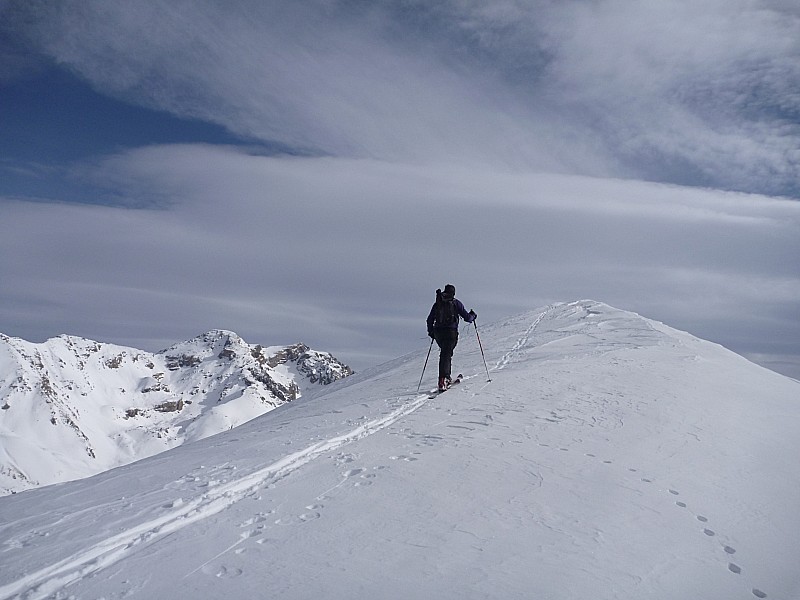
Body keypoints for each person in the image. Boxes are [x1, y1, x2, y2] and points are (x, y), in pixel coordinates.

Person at [426, 284, 477, 391]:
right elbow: (467, 318)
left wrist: (431, 332)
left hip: (438, 333)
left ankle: (444, 378)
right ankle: (443, 379)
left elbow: (429, 319)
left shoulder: (438, 303)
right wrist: (473, 315)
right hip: (451, 332)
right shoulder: (455, 303)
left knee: (445, 353)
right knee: (446, 354)